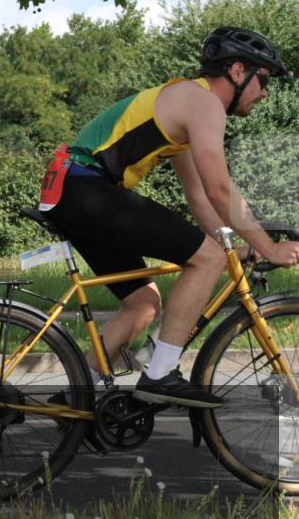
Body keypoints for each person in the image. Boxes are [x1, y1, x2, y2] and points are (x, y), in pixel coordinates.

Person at [41, 26, 299, 408]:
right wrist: (269, 247)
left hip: (70, 188)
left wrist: (235, 246)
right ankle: (160, 373)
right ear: (239, 71)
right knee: (205, 258)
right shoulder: (205, 103)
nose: (265, 93)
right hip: (83, 186)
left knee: (143, 305)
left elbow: (199, 196)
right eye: (264, 80)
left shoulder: (184, 104)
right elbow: (221, 190)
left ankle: (76, 398)